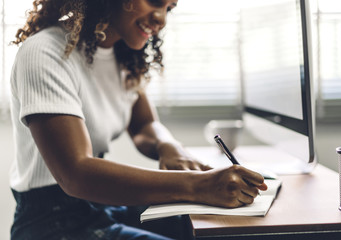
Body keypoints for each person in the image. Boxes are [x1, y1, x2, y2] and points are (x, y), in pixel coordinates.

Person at [9, 0, 268, 239]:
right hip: (51, 223)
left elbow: (144, 125)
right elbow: (75, 175)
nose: (162, 18)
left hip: (100, 204)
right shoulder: (45, 52)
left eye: (169, 7)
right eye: (155, 1)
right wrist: (198, 185)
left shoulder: (121, 54)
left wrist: (169, 146)